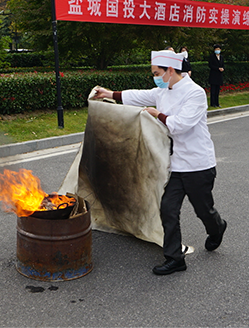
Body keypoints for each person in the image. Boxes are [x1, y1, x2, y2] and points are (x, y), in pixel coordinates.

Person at [94, 50, 227, 275]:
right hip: (176, 165)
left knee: (203, 210)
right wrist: (109, 94)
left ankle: (217, 227)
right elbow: (138, 95)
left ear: (170, 71)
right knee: (168, 209)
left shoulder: (195, 93)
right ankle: (175, 258)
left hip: (198, 164)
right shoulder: (163, 91)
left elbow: (180, 125)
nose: (155, 78)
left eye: (157, 73)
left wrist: (158, 115)